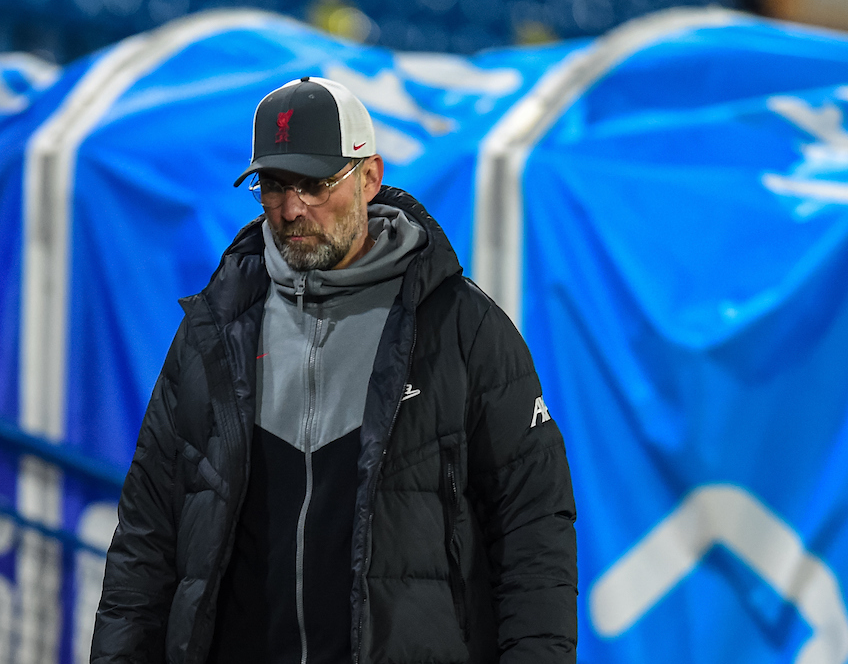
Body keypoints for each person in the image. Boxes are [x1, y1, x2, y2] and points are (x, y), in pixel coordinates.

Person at [91, 76, 577, 664]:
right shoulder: (213, 332)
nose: (292, 209)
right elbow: (146, 540)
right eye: (274, 185)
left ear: (369, 176)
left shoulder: (464, 330)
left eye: (317, 185)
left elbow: (534, 536)